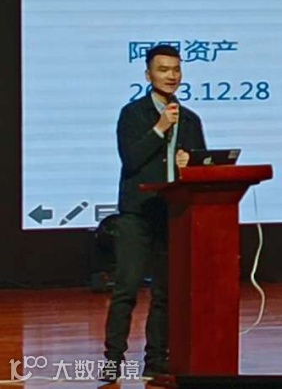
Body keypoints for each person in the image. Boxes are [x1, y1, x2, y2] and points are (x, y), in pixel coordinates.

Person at [102, 44, 207, 382]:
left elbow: (203, 165)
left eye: (176, 69)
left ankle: (156, 360)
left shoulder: (190, 120)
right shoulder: (133, 114)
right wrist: (160, 128)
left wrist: (190, 164)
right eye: (163, 69)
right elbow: (131, 159)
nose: (171, 75)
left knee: (165, 292)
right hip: (137, 213)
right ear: (148, 75)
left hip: (171, 213)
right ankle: (112, 361)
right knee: (127, 288)